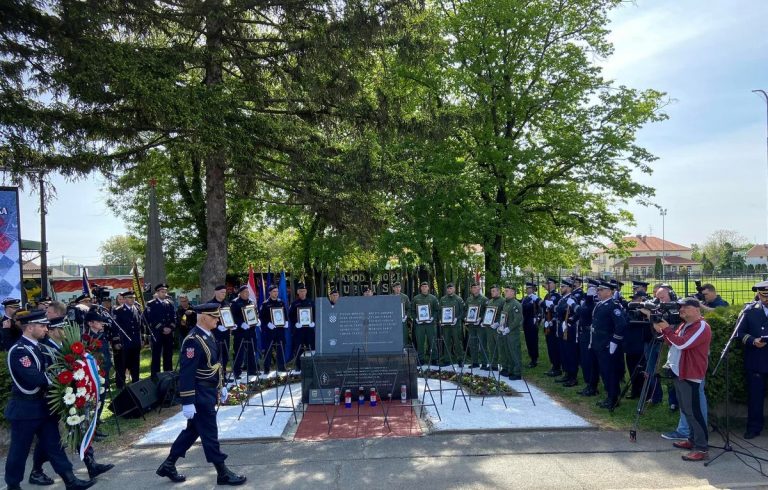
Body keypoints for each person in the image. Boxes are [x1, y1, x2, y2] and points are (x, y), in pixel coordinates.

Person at [156, 303, 246, 486]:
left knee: (193, 431)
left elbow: (215, 363)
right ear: (204, 317)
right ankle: (223, 473)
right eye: (214, 317)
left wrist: (221, 386)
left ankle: (168, 464)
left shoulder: (207, 335)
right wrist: (187, 401)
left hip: (208, 391)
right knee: (210, 433)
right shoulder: (193, 340)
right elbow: (187, 373)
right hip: (199, 395)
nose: (217, 319)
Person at [4, 311, 95, 490]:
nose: (47, 329)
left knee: (54, 445)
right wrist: (65, 378)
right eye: (42, 326)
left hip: (42, 407)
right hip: (25, 409)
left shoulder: (39, 347)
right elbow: (34, 378)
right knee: (19, 451)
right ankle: (13, 485)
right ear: (30, 327)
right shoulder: (19, 351)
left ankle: (70, 480)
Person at [28, 313, 114, 485]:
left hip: (72, 393)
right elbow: (48, 373)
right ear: (52, 330)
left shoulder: (64, 346)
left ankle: (91, 464)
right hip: (55, 397)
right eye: (62, 328)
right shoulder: (45, 348)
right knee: (49, 438)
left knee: (79, 427)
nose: (66, 331)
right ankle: (36, 470)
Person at [654, 298, 712, 462]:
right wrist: (663, 331)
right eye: (680, 307)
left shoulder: (701, 326)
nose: (681, 310)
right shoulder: (684, 325)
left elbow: (682, 344)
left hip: (691, 374)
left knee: (695, 413)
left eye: (686, 307)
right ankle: (692, 440)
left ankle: (701, 448)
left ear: (697, 309)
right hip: (680, 372)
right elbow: (673, 342)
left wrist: (666, 329)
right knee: (687, 410)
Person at [737, 280, 768, 439]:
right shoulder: (749, 310)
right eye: (763, 294)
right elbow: (739, 334)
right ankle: (754, 427)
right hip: (756, 360)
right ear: (758, 294)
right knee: (755, 397)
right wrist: (753, 341)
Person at [591, 280, 626, 410]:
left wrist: (614, 341)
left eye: (601, 290)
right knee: (604, 371)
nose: (598, 292)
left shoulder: (613, 305)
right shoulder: (601, 304)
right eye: (598, 290)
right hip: (599, 342)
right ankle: (609, 396)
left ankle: (613, 398)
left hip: (607, 343)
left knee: (610, 371)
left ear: (609, 291)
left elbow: (621, 324)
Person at [144, 283, 177, 378]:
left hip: (168, 334)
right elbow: (150, 319)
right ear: (157, 292)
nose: (164, 293)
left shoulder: (169, 303)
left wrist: (170, 328)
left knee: (168, 355)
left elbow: (174, 317)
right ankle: (155, 376)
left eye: (165, 291)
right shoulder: (151, 304)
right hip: (157, 333)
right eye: (162, 291)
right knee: (156, 356)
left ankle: (168, 374)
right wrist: (162, 328)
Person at [112, 290, 143, 389]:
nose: (132, 299)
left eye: (133, 298)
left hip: (135, 341)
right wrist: (116, 341)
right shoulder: (118, 310)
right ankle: (121, 385)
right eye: (130, 298)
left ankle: (135, 382)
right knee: (122, 364)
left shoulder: (137, 309)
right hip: (124, 342)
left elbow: (140, 326)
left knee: (135, 364)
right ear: (124, 299)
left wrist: (142, 339)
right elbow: (115, 327)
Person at [231, 285, 260, 382]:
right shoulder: (235, 303)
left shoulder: (251, 302)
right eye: (245, 292)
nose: (247, 294)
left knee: (252, 350)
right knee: (239, 352)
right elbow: (233, 316)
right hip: (240, 332)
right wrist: (241, 324)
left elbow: (255, 313)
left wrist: (257, 320)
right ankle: (237, 372)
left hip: (251, 331)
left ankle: (252, 370)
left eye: (248, 292)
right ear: (240, 293)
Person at [576, 279, 600, 396]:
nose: (589, 288)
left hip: (590, 334)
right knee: (585, 360)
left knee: (589, 361)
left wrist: (589, 299)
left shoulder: (595, 301)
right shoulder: (587, 299)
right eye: (588, 286)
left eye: (592, 287)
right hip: (583, 333)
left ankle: (592, 386)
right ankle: (588, 384)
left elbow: (585, 312)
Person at [554, 278, 579, 387]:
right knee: (563, 352)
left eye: (563, 286)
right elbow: (558, 310)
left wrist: (569, 322)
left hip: (569, 329)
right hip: (561, 327)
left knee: (570, 353)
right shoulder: (562, 299)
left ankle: (573, 377)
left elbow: (576, 313)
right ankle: (567, 373)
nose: (561, 288)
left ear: (569, 288)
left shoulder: (572, 298)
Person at [259, 285, 287, 374]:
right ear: (270, 293)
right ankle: (266, 369)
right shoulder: (265, 304)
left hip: (280, 330)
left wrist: (286, 322)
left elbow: (285, 315)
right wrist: (268, 324)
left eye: (277, 291)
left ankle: (281, 367)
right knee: (268, 350)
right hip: (269, 331)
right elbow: (261, 318)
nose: (276, 293)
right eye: (274, 291)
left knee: (280, 349)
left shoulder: (281, 302)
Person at [411, 281, 440, 365]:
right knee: (420, 342)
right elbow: (412, 311)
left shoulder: (433, 298)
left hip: (430, 324)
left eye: (426, 286)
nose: (424, 288)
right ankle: (421, 359)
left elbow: (437, 310)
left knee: (432, 341)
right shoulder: (416, 298)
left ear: (428, 288)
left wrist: (432, 318)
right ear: (420, 288)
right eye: (422, 286)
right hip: (419, 325)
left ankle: (434, 359)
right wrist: (415, 318)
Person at [288, 283, 314, 372]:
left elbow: (315, 314)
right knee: (298, 348)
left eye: (304, 291)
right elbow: (290, 316)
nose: (302, 293)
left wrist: (313, 322)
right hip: (299, 331)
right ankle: (298, 366)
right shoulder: (294, 304)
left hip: (309, 330)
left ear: (306, 291)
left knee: (311, 347)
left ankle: (312, 366)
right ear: (298, 292)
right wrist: (295, 323)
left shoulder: (311, 302)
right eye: (301, 291)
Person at [499, 285, 523, 380]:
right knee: (508, 352)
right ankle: (511, 370)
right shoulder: (506, 303)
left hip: (512, 333)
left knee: (514, 352)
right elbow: (504, 317)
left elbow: (517, 320)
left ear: (513, 292)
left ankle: (517, 372)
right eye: (505, 290)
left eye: (507, 291)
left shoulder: (516, 304)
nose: (505, 292)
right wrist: (501, 326)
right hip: (505, 332)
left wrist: (509, 328)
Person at [439, 282, 465, 366]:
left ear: (454, 289)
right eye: (448, 288)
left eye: (451, 288)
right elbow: (440, 311)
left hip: (456, 325)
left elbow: (463, 312)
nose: (449, 290)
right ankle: (447, 360)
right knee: (446, 342)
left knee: (457, 342)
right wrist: (440, 320)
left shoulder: (459, 299)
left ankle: (460, 359)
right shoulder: (443, 299)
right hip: (446, 325)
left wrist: (457, 318)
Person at [542, 278, 562, 377]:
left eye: (548, 283)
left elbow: (558, 311)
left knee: (554, 346)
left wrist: (552, 321)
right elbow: (545, 309)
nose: (546, 285)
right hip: (547, 323)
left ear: (554, 284)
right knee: (550, 346)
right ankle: (553, 365)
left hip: (553, 325)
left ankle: (557, 367)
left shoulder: (557, 296)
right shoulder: (547, 295)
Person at [464, 282, 487, 369]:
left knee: (482, 343)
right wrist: (466, 318)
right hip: (471, 325)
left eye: (476, 288)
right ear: (471, 289)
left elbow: (487, 312)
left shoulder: (484, 299)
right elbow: (465, 310)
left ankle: (484, 363)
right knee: (473, 343)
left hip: (480, 325)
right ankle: (475, 362)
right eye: (473, 288)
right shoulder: (469, 299)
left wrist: (481, 318)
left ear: (479, 288)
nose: (474, 289)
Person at [210, 285, 232, 375]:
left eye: (224, 292)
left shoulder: (226, 304)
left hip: (225, 334)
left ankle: (223, 375)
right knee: (216, 355)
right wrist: (217, 326)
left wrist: (231, 324)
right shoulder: (210, 304)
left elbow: (230, 317)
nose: (223, 294)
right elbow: (208, 319)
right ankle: (215, 376)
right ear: (216, 292)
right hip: (215, 334)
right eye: (221, 292)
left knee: (225, 355)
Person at [484, 285, 505, 371]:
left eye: (494, 291)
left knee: (500, 347)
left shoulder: (503, 301)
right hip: (489, 327)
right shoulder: (490, 301)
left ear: (498, 291)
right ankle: (493, 364)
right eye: (491, 291)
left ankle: (504, 365)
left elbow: (504, 314)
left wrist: (498, 323)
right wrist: (484, 321)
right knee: (491, 346)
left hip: (497, 328)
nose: (492, 292)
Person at [521, 282, 540, 368]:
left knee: (533, 341)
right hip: (526, 321)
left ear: (533, 289)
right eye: (527, 288)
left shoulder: (536, 298)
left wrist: (538, 319)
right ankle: (531, 357)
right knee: (528, 341)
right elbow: (522, 307)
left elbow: (539, 310)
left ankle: (534, 359)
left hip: (532, 322)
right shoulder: (525, 298)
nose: (527, 289)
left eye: (528, 288)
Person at [393, 282, 411, 348]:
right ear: (393, 288)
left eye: (399, 287)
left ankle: (404, 347)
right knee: (394, 333)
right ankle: (394, 347)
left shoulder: (405, 297)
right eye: (396, 287)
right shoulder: (390, 296)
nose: (398, 289)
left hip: (402, 319)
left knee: (404, 333)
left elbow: (409, 308)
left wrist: (406, 316)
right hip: (393, 319)